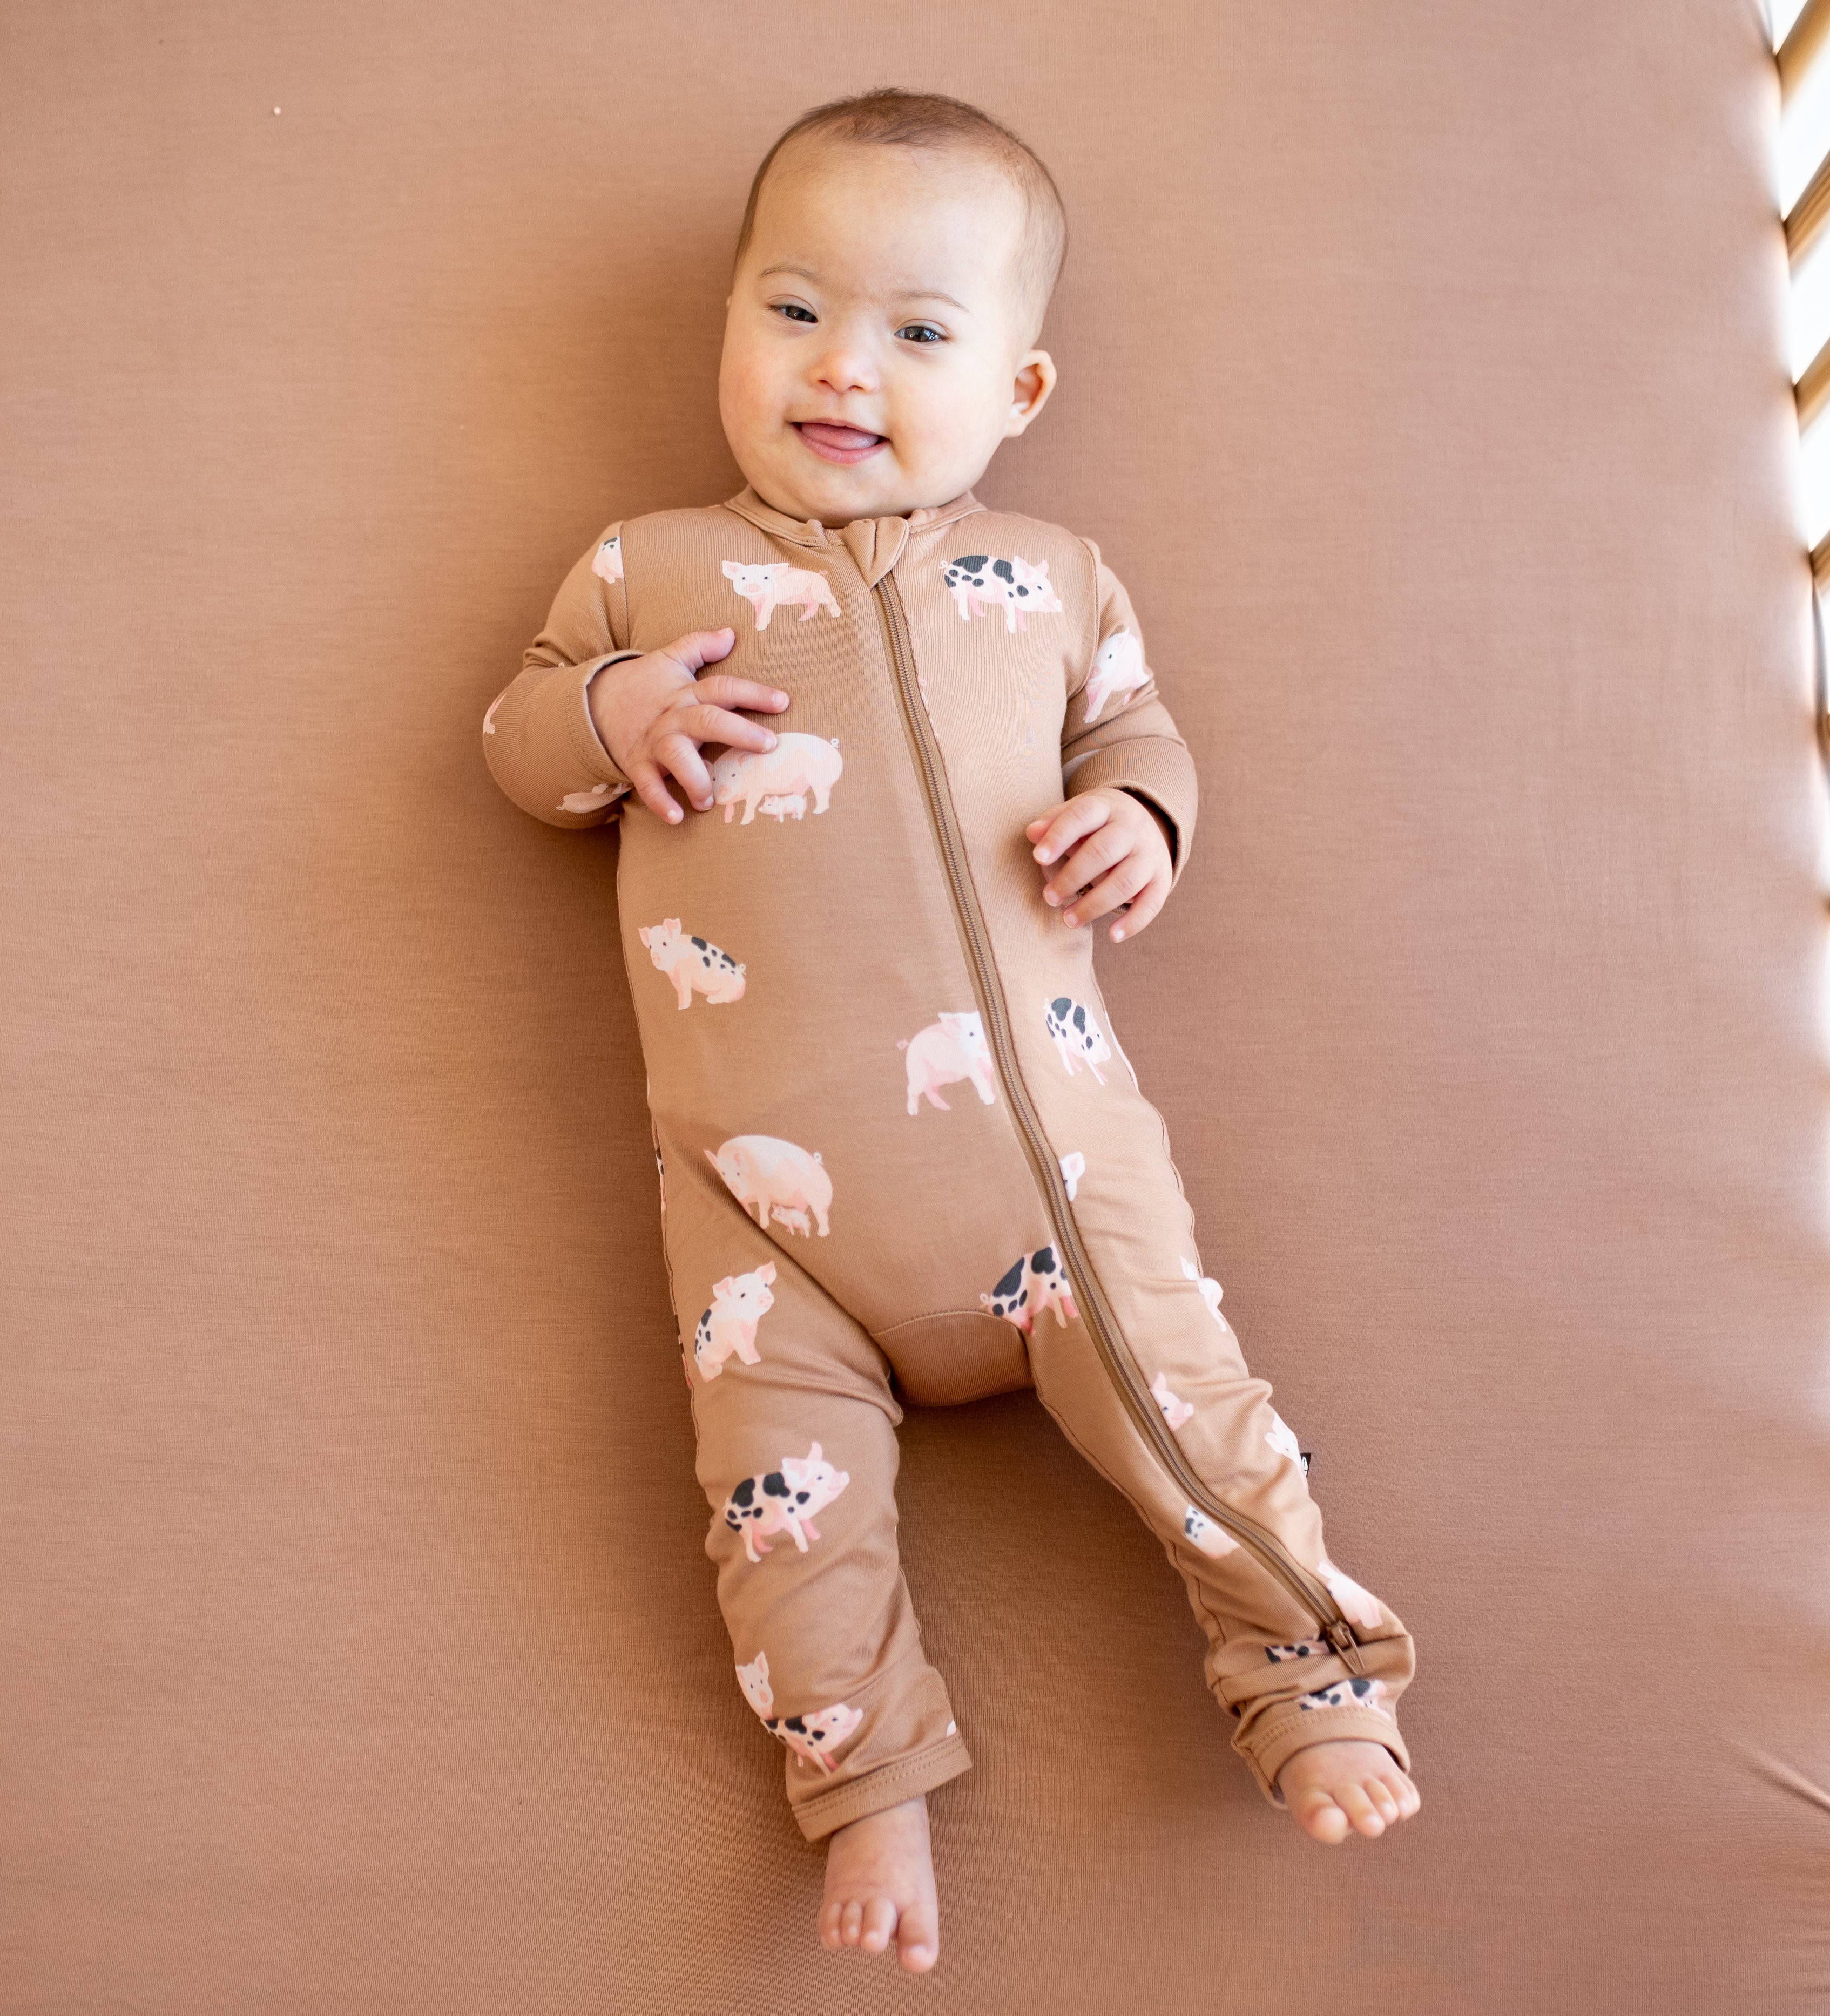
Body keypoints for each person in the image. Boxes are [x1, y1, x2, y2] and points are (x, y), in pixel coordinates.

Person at [482, 89, 1420, 1975]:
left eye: (920, 334)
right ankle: (870, 1785)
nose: (844, 368)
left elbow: (1143, 742)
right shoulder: (642, 573)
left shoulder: (1058, 584)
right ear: (731, 328)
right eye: (794, 308)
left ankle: (1309, 1669)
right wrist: (605, 722)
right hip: (760, 1213)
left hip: (1048, 1171)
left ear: (1020, 392)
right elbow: (513, 738)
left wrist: (1140, 817)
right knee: (776, 1514)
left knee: (1195, 1407)